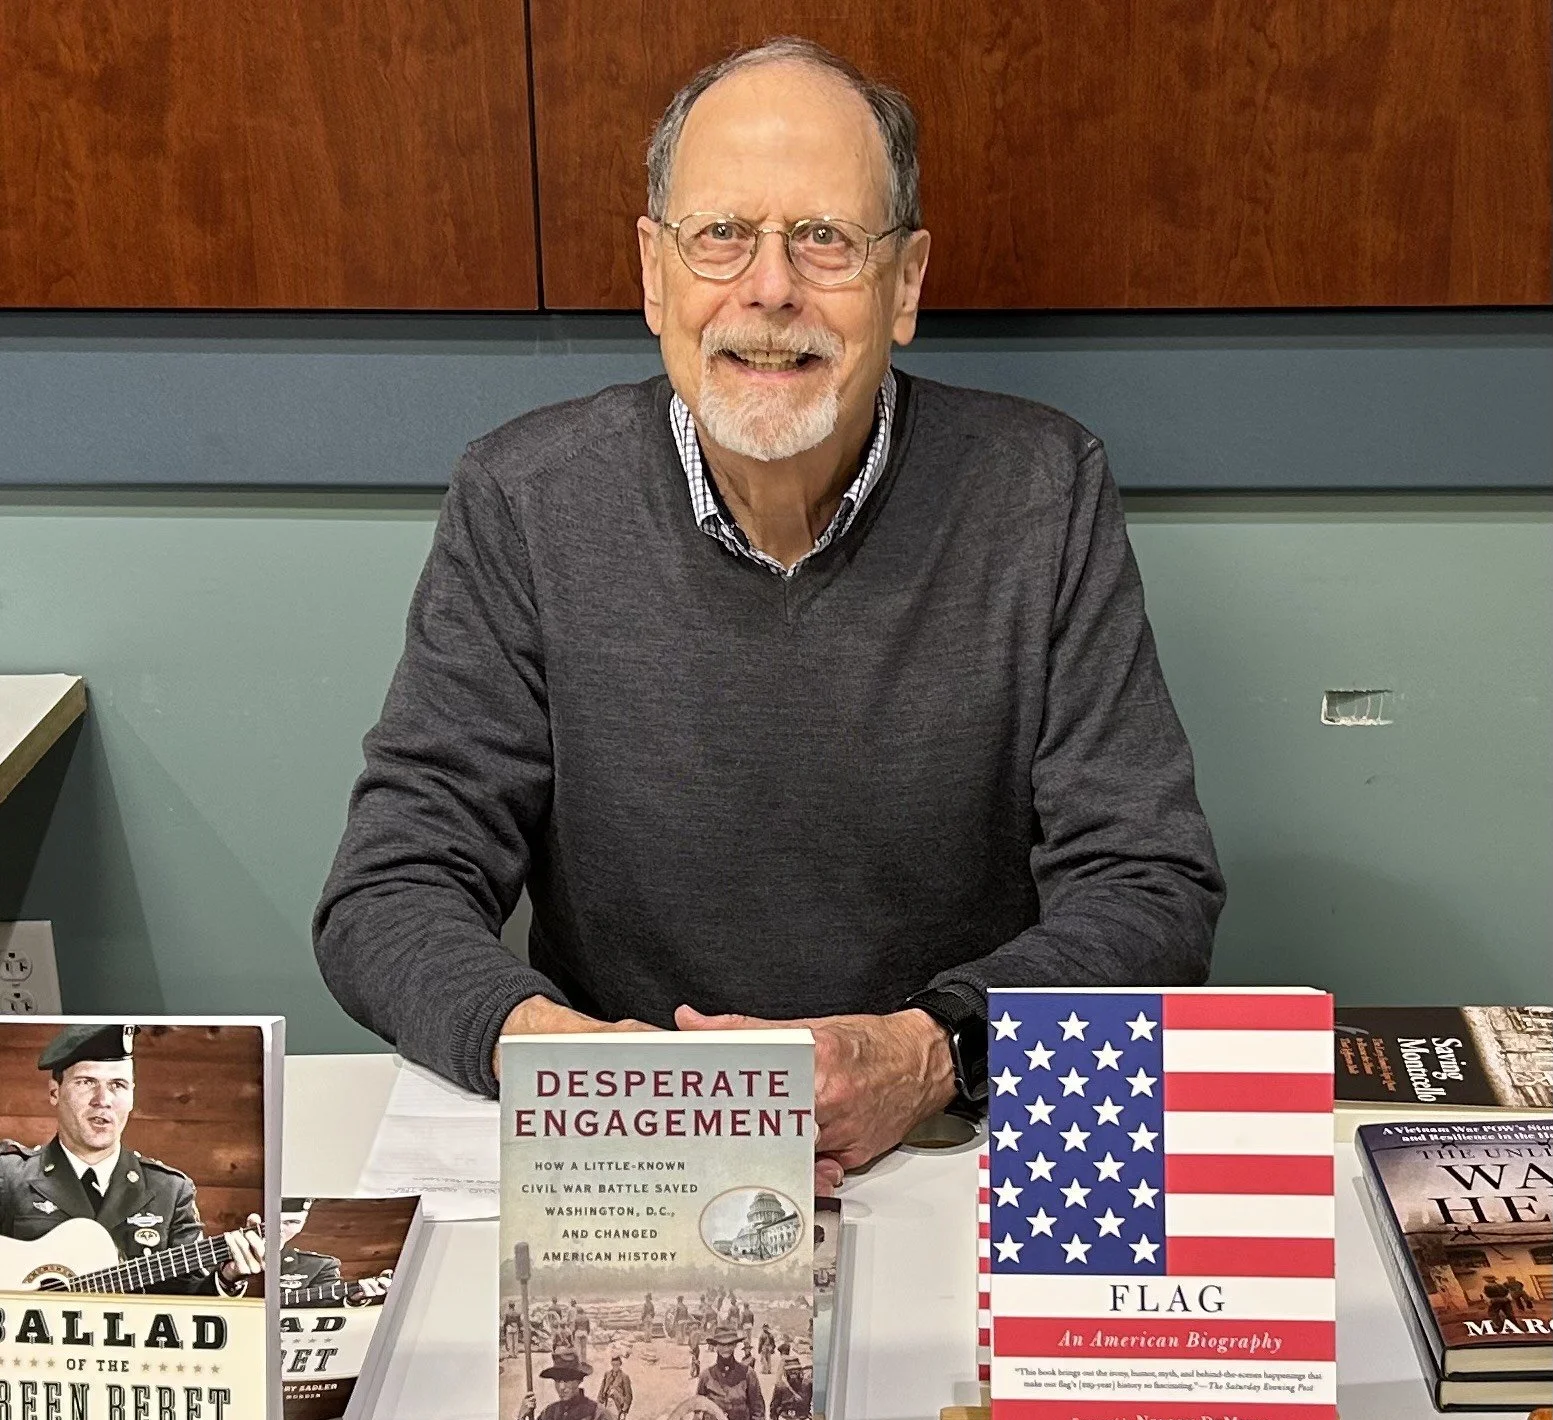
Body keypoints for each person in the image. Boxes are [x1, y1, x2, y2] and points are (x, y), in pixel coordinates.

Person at [313, 37, 1224, 1185]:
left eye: (826, 238)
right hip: (623, 1167)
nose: (770, 288)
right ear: (654, 275)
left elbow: (1148, 881)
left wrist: (927, 1052)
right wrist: (571, 1062)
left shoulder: (1039, 491)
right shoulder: (524, 498)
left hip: (944, 1141)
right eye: (719, 235)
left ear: (905, 285)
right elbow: (391, 888)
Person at [0, 1023, 263, 1296]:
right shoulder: (8, 1176)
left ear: (132, 1096)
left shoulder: (169, 1191)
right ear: (55, 1092)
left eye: (118, 1085)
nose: (103, 1100)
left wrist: (227, 1278)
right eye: (86, 1082)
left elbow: (192, 1297)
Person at [696, 1327, 766, 1420]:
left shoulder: (748, 1374)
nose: (726, 1349)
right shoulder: (706, 1376)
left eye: (729, 1344)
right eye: (722, 1345)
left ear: (735, 1346)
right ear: (715, 1346)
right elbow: (698, 1410)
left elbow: (758, 1410)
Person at [768, 1352, 813, 1420]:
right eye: (790, 1371)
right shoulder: (780, 1387)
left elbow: (815, 1406)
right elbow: (773, 1410)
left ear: (800, 1371)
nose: (793, 1374)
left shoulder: (808, 1385)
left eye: (795, 1371)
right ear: (785, 1372)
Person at [599, 1351, 634, 1420]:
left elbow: (628, 1396)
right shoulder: (607, 1374)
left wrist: (624, 1411)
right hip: (608, 1404)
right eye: (613, 1364)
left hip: (619, 1406)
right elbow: (601, 1390)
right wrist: (600, 1402)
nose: (615, 1366)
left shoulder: (624, 1377)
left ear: (620, 1364)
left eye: (617, 1364)